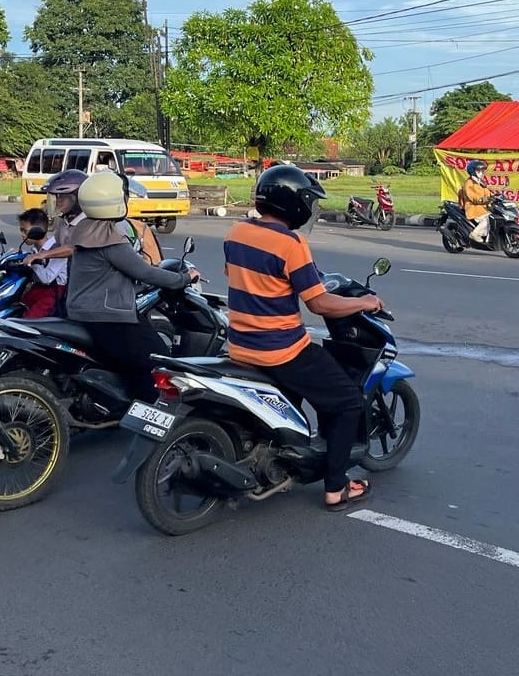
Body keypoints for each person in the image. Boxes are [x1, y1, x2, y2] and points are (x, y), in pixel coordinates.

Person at [224, 164, 383, 511]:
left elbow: (256, 279)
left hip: (239, 345)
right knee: (347, 401)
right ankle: (336, 488)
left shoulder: (235, 233)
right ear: (293, 204)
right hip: (279, 350)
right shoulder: (292, 243)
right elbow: (319, 302)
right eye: (307, 202)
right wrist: (364, 302)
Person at [54, 169, 196, 401]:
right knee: (156, 361)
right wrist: (185, 278)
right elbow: (144, 271)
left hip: (80, 311)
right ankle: (142, 412)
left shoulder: (85, 229)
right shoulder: (110, 239)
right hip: (110, 317)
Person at [17, 207, 67, 319]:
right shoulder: (35, 250)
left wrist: (32, 261)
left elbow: (47, 278)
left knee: (28, 321)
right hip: (37, 289)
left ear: (37, 231)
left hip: (53, 293)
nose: (22, 235)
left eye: (25, 231)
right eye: (21, 230)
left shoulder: (56, 249)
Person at [459, 159, 494, 243]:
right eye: (479, 171)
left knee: (494, 217)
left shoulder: (481, 183)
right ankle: (475, 234)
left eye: (482, 171)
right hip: (474, 209)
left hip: (483, 208)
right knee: (486, 220)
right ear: (473, 172)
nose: (482, 173)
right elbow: (474, 198)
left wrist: (494, 196)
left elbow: (488, 193)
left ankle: (488, 238)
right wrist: (484, 199)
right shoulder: (469, 184)